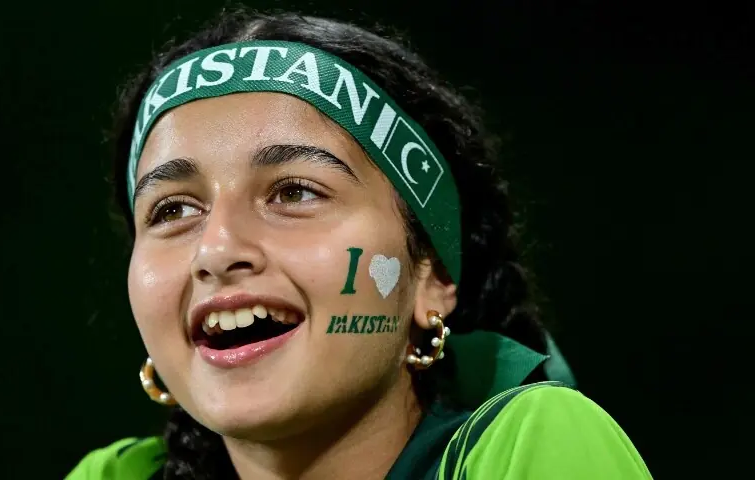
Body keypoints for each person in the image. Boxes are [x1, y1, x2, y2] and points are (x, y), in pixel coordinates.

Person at [67, 7, 651, 480]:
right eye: (173, 209)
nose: (216, 249)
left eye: (294, 192)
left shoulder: (528, 450)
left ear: (433, 276)